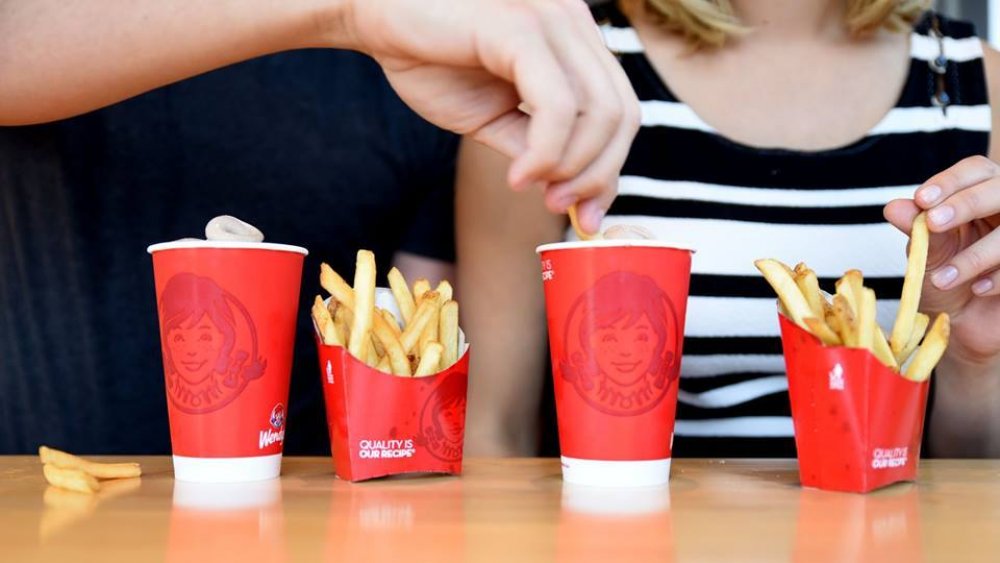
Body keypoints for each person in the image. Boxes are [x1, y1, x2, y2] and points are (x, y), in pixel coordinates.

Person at [460, 0, 1000, 458]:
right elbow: (491, 433)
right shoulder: (557, 76)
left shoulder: (980, 83)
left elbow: (974, 480)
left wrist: (975, 364)